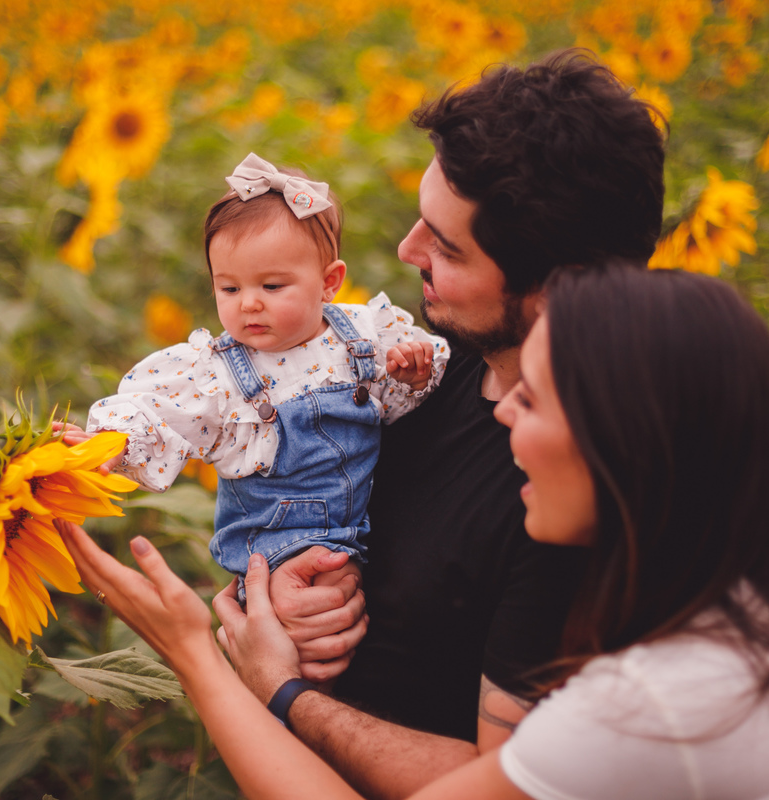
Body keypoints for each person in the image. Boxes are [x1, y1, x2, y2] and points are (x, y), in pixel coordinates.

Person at [57, 264, 769, 799]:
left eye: (535, 396)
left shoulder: (661, 704)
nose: (503, 414)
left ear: (623, 445)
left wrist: (203, 659)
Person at [237, 47, 666, 799]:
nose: (407, 252)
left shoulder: (578, 493)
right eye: (421, 219)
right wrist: (281, 593)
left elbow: (508, 784)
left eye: (448, 245)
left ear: (549, 287)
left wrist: (281, 691)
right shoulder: (423, 365)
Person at [78, 152, 448, 597]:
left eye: (272, 286)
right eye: (229, 288)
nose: (248, 303)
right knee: (323, 606)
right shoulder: (220, 372)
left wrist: (411, 373)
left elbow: (396, 402)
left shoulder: (364, 334)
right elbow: (159, 411)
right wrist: (115, 438)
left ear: (329, 282)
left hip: (365, 528)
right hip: (272, 551)